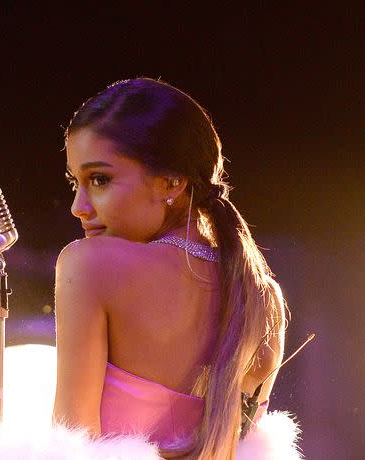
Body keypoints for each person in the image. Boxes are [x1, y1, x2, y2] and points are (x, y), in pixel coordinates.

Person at [50, 77, 291, 460]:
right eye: (74, 182)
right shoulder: (263, 298)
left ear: (171, 182)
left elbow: (71, 445)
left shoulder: (90, 265)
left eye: (99, 179)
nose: (78, 206)